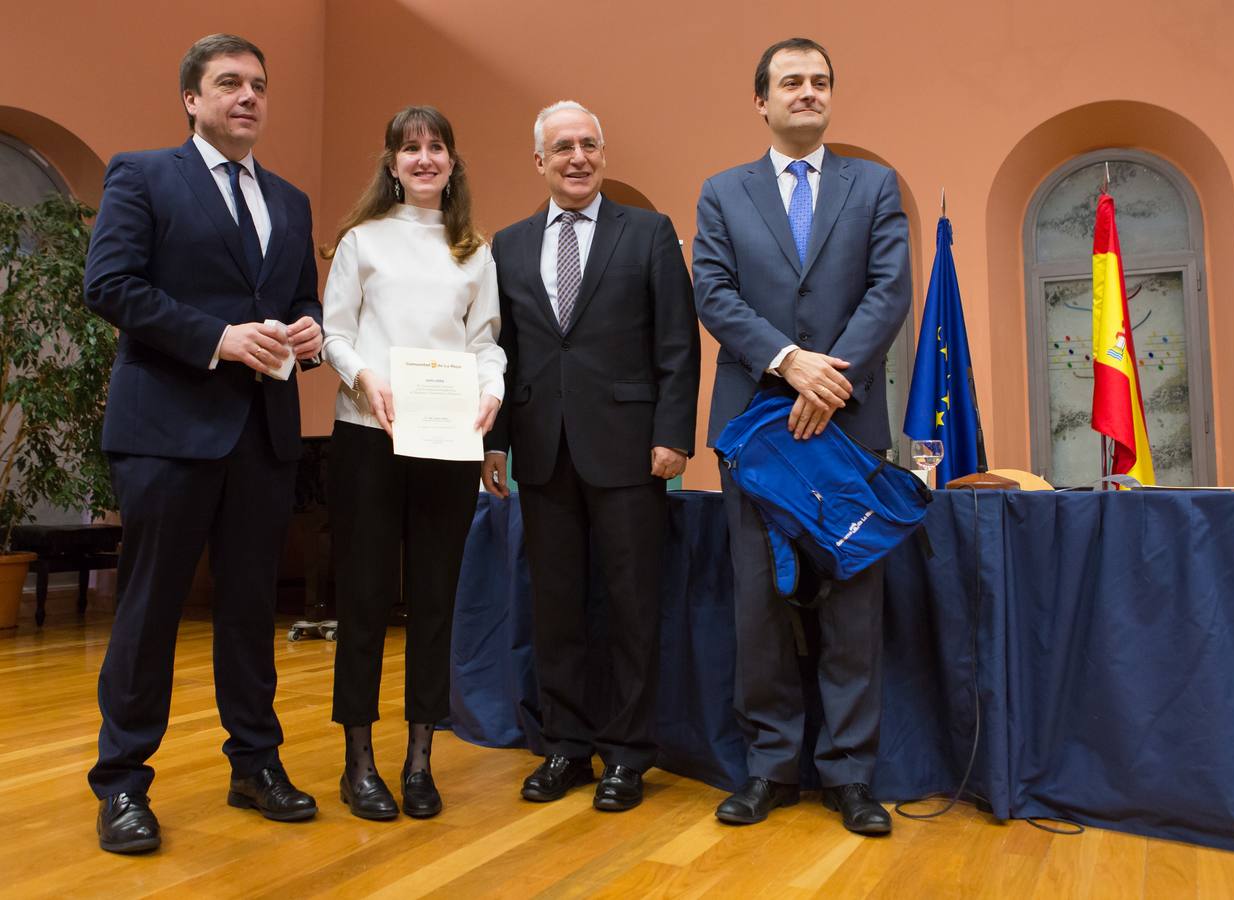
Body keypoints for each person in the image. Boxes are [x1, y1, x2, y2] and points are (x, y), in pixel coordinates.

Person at [84, 33, 324, 853]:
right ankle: (121, 783)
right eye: (228, 83)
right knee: (150, 612)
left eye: (258, 84)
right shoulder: (143, 174)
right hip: (167, 430)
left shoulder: (290, 201)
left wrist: (308, 333)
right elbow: (109, 285)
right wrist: (218, 338)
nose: (247, 96)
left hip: (262, 434)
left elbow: (302, 305)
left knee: (253, 613)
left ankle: (255, 764)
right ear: (192, 98)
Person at [692, 37, 912, 835]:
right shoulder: (723, 193)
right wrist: (791, 364)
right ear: (762, 100)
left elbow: (891, 291)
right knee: (759, 603)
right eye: (792, 82)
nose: (808, 93)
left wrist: (831, 377)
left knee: (853, 604)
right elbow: (712, 292)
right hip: (756, 429)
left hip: (847, 427)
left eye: (821, 81)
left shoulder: (875, 185)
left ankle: (851, 775)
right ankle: (770, 768)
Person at [482, 100, 699, 812]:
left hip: (632, 453)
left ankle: (629, 756)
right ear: (538, 162)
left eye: (590, 145)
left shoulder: (649, 233)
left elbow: (677, 344)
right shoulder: (508, 246)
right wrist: (495, 443)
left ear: (603, 155)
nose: (578, 157)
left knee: (633, 609)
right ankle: (567, 748)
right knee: (555, 610)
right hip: (542, 455)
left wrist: (673, 434)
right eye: (563, 147)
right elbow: (500, 355)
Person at [321, 106, 505, 820]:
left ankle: (420, 760)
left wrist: (489, 390)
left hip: (446, 439)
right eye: (410, 148)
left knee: (435, 601)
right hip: (368, 433)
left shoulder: (473, 249)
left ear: (452, 163)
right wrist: (365, 378)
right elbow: (336, 335)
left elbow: (486, 340)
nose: (424, 158)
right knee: (364, 600)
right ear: (391, 162)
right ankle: (358, 764)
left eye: (436, 148)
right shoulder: (360, 241)